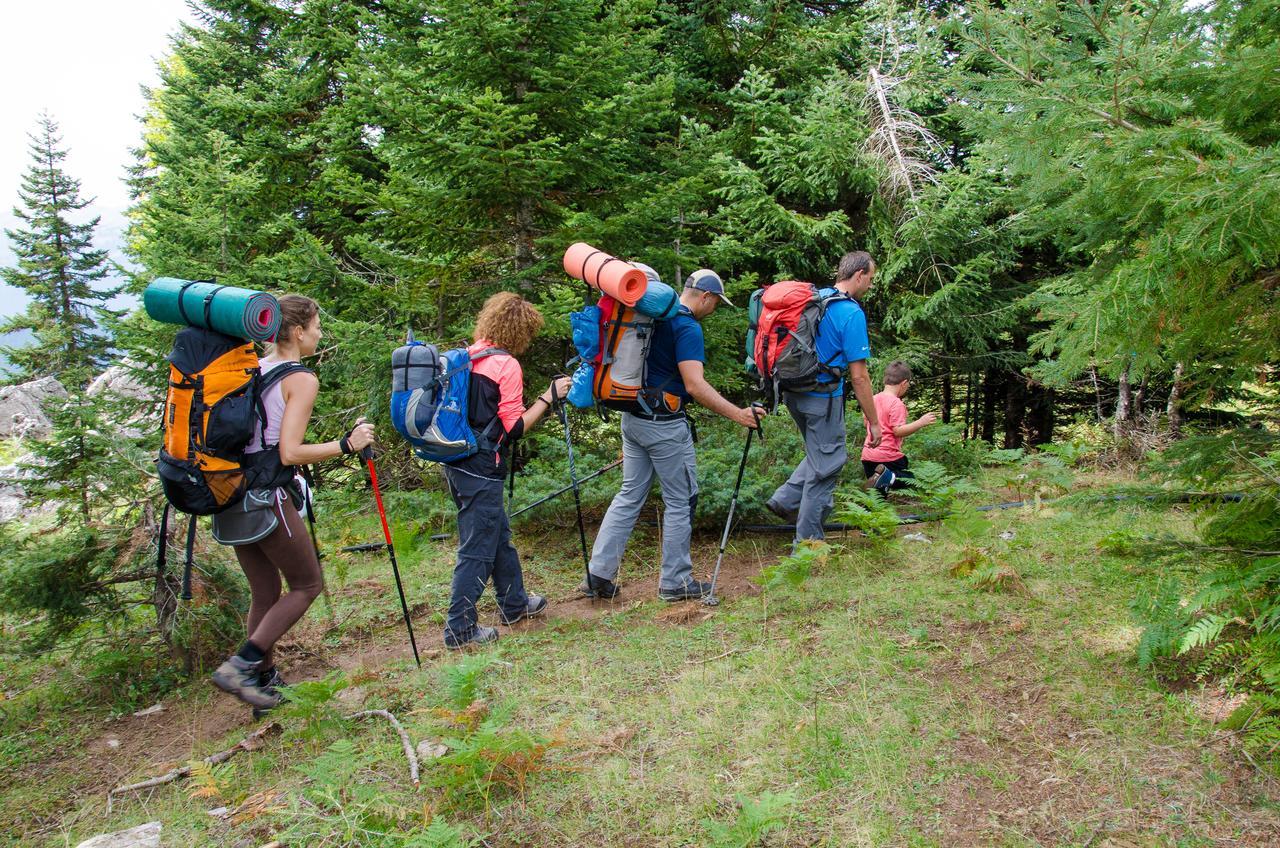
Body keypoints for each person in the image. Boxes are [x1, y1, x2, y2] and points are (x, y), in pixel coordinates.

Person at [211, 294, 375, 711]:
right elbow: (290, 452)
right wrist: (346, 444)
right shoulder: (300, 378)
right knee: (307, 583)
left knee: (264, 592)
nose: (320, 334)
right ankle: (243, 664)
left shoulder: (252, 368)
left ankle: (261, 686)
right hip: (268, 499)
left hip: (232, 495)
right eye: (317, 326)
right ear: (298, 331)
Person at [583, 266, 763, 601]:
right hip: (664, 425)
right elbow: (695, 385)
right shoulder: (687, 327)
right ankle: (676, 582)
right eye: (716, 303)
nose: (714, 309)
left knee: (629, 495)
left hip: (633, 418)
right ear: (706, 297)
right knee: (681, 500)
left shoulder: (652, 316)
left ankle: (598, 574)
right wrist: (739, 414)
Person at [442, 292, 571, 649]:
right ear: (520, 332)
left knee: (496, 534)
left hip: (457, 463)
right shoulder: (506, 365)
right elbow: (513, 429)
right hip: (482, 467)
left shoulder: (470, 355)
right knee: (477, 548)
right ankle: (460, 629)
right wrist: (548, 398)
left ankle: (514, 603)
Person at [766, 251, 882, 543]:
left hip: (793, 393)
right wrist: (875, 422)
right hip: (823, 398)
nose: (870, 284)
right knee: (827, 465)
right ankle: (808, 546)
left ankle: (785, 500)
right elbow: (859, 376)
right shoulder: (851, 312)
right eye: (870, 278)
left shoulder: (815, 299)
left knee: (821, 454)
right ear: (858, 275)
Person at [862, 360, 937, 492]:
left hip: (868, 456)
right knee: (908, 478)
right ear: (904, 383)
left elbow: (865, 423)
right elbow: (897, 431)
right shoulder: (896, 403)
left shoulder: (872, 399)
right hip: (888, 457)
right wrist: (921, 422)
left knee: (877, 495)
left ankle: (872, 509)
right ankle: (888, 476)